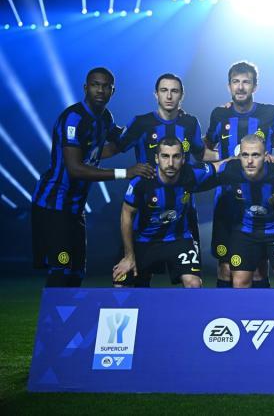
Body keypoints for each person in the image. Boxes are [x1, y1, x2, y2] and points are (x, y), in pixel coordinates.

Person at [31, 67, 154, 287]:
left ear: (112, 91)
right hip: (53, 206)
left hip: (75, 210)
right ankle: (54, 312)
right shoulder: (73, 118)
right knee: (61, 271)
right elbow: (75, 169)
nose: (100, 90)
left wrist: (155, 128)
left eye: (106, 86)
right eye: (95, 85)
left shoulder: (105, 118)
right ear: (85, 87)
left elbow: (119, 143)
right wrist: (126, 172)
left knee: (76, 273)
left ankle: (67, 311)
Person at [115, 73, 212, 282]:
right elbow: (117, 146)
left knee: (194, 281)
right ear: (156, 94)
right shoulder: (141, 123)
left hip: (182, 210)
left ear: (181, 95)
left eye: (174, 91)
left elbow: (202, 154)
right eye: (164, 90)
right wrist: (87, 157)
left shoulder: (190, 123)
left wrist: (239, 155)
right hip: (145, 211)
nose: (169, 96)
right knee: (130, 282)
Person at [205, 61, 274, 288]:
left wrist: (267, 156)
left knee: (259, 267)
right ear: (229, 86)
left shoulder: (269, 112)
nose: (240, 87)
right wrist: (223, 161)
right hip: (226, 200)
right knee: (225, 267)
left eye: (246, 82)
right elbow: (205, 150)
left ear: (255, 86)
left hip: (259, 199)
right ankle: (226, 309)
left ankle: (260, 311)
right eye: (236, 82)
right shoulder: (219, 114)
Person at [112, 137, 219, 288]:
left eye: (176, 156)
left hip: (178, 239)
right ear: (157, 158)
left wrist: (239, 157)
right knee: (120, 286)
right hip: (143, 240)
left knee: (194, 284)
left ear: (183, 159)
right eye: (165, 156)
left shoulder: (191, 174)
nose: (170, 163)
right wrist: (129, 256)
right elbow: (126, 214)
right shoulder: (141, 182)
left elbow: (220, 166)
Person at [216, 135, 274, 288]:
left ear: (266, 156)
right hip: (245, 230)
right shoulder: (228, 170)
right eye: (245, 155)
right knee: (240, 282)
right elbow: (197, 177)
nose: (250, 161)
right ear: (239, 157)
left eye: (256, 155)